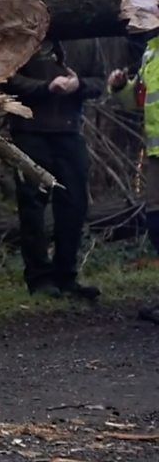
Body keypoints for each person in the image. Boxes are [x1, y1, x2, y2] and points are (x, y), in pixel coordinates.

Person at [3, 41, 103, 299]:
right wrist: (46, 88)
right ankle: (39, 279)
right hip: (29, 130)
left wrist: (78, 85)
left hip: (70, 131)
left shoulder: (86, 39)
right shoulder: (27, 32)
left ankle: (66, 276)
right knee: (33, 206)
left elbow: (99, 81)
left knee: (74, 204)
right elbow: (7, 78)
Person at [107, 34, 159, 324]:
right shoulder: (151, 53)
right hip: (155, 152)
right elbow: (138, 100)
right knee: (155, 223)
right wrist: (120, 88)